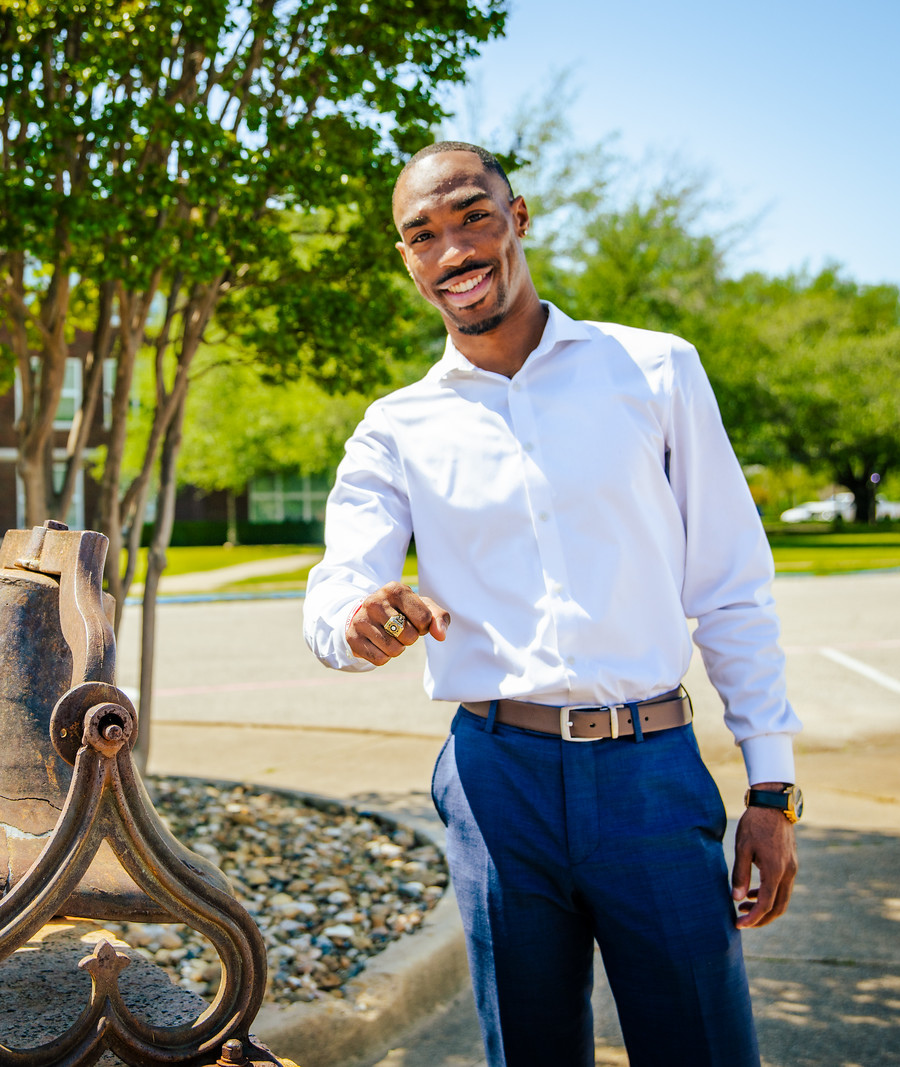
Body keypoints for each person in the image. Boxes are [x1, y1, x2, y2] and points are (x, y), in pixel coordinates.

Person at [302, 142, 802, 1067]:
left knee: (703, 1046)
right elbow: (339, 584)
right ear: (407, 259)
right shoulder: (396, 427)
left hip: (650, 776)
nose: (453, 249)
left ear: (518, 216)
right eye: (424, 235)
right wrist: (355, 621)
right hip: (497, 783)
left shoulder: (654, 371)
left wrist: (772, 788)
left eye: (472, 217)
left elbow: (731, 584)